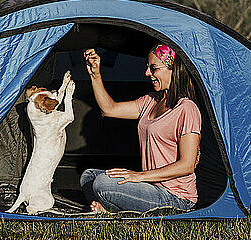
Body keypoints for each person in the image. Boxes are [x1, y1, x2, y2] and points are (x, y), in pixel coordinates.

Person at [80, 44, 202, 213]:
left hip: (175, 197)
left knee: (102, 183)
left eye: (154, 68)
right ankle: (111, 207)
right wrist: (95, 75)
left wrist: (138, 176)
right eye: (147, 68)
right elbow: (109, 109)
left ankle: (109, 208)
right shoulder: (150, 101)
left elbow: (187, 165)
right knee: (89, 176)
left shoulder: (187, 108)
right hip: (150, 186)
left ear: (173, 69)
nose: (147, 73)